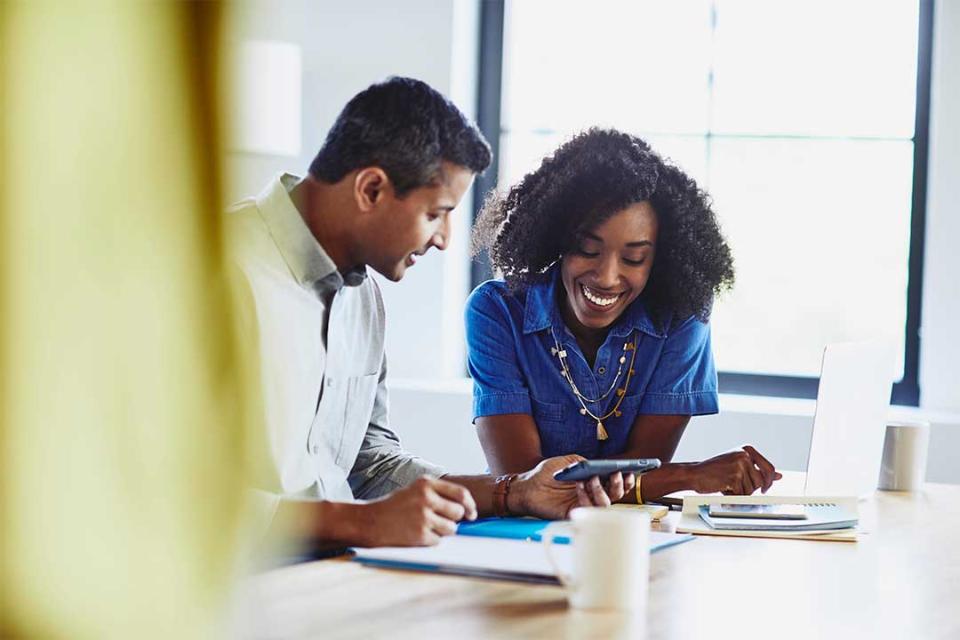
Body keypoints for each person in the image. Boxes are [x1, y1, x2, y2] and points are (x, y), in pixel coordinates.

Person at [228, 78, 629, 550]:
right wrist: (362, 524)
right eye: (436, 213)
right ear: (371, 189)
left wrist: (515, 492)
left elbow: (369, 464)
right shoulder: (206, 270)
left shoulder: (363, 298)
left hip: (338, 581)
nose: (444, 238)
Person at [467, 128, 782, 502]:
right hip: (517, 537)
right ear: (556, 241)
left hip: (631, 532)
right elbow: (527, 484)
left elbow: (643, 470)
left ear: (659, 259)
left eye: (634, 258)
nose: (606, 277)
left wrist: (662, 477)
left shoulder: (681, 317)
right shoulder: (497, 311)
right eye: (586, 249)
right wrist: (691, 475)